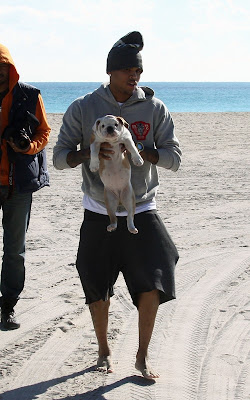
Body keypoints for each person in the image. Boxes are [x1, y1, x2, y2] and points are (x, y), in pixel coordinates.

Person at [53, 31, 181, 379]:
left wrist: (145, 151)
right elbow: (59, 158)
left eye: (137, 71)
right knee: (95, 283)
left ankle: (141, 357)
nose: (134, 76)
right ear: (111, 72)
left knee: (156, 275)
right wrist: (87, 153)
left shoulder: (154, 108)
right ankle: (103, 352)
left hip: (142, 208)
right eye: (127, 70)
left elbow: (175, 158)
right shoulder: (83, 107)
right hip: (98, 210)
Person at [0, 44, 50, 330]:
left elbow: (43, 131)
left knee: (14, 249)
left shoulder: (29, 95)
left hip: (18, 183)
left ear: (11, 68)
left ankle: (8, 306)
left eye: (2, 68)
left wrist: (28, 146)